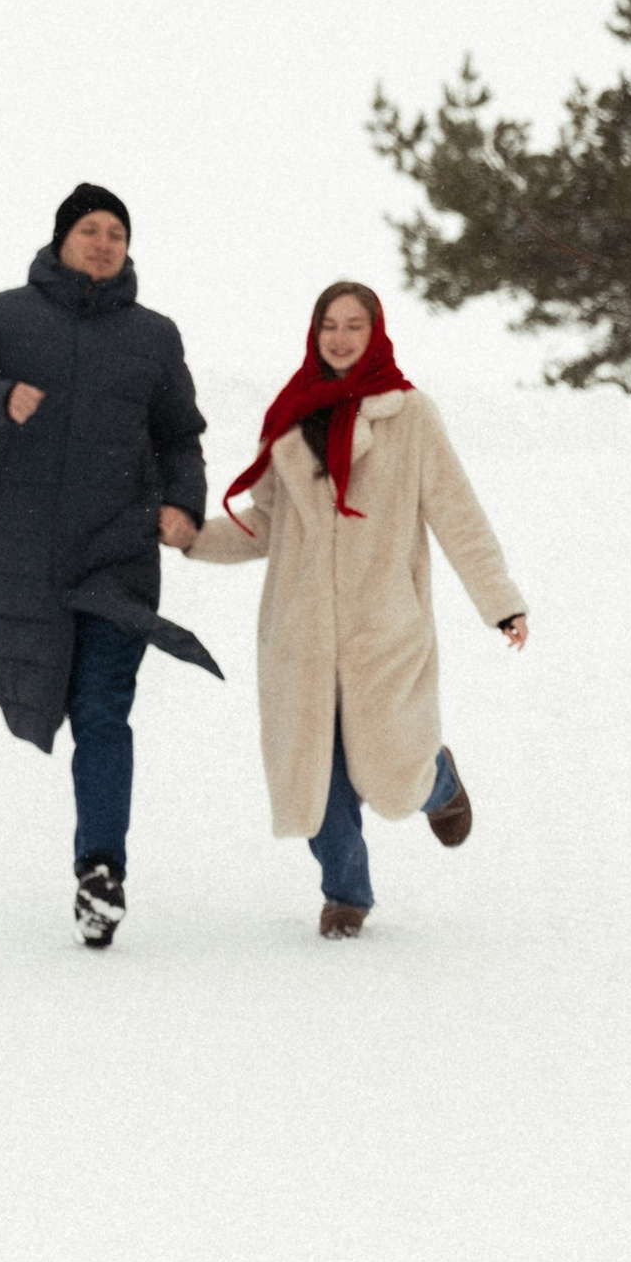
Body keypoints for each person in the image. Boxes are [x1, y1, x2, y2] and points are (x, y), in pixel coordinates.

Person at [0, 185, 215, 950]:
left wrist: (184, 504)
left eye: (117, 232)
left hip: (119, 555)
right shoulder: (3, 317)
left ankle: (101, 869)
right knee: (49, 698)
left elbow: (181, 436)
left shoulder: (154, 334)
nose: (104, 243)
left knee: (104, 710)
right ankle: (97, 859)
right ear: (61, 239)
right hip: (25, 553)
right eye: (90, 230)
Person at [185, 279, 528, 936]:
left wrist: (500, 601)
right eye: (328, 327)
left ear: (376, 334)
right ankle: (346, 892)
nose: (339, 338)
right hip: (302, 633)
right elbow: (264, 526)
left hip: (384, 629)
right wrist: (191, 537)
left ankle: (439, 784)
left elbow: (458, 515)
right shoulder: (289, 419)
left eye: (353, 326)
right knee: (321, 773)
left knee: (393, 773)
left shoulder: (411, 416)